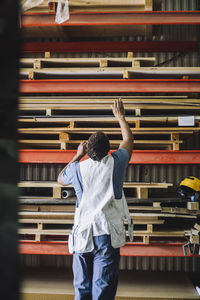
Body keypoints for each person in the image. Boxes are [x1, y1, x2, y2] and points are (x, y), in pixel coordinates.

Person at [57, 99, 133, 300]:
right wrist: (120, 117)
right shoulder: (116, 162)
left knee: (82, 288)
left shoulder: (77, 168)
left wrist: (76, 155)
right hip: (106, 234)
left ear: (88, 151)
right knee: (103, 288)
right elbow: (128, 140)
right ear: (109, 149)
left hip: (82, 234)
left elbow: (60, 179)